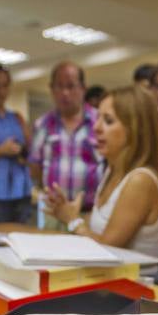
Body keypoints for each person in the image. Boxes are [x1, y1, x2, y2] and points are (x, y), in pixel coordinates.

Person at [45, 86, 158, 262]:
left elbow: (107, 250)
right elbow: (99, 227)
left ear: (135, 129)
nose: (96, 128)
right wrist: (69, 212)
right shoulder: (111, 171)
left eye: (108, 121)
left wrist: (73, 220)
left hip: (132, 286)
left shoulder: (140, 180)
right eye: (98, 119)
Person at [29, 61, 103, 213]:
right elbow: (35, 167)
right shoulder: (42, 124)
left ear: (83, 88)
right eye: (59, 86)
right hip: (53, 212)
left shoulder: (100, 121)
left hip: (91, 211)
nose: (65, 93)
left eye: (70, 86)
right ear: (51, 89)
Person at [0, 64, 33, 224]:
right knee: (1, 238)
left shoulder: (17, 118)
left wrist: (22, 152)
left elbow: (30, 150)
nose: (1, 91)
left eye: (4, 85)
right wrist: (1, 150)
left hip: (21, 188)